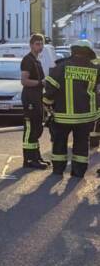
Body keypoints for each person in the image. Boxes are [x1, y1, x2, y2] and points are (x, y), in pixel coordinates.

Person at [42, 43, 100, 179]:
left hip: (63, 116)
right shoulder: (95, 68)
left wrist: (47, 104)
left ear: (73, 51)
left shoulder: (61, 66)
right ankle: (78, 172)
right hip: (86, 117)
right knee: (81, 144)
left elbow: (50, 90)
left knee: (59, 143)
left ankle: (58, 170)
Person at [20, 33, 50, 168]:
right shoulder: (28, 60)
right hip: (30, 98)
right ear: (31, 45)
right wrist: (41, 83)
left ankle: (36, 157)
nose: (40, 46)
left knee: (37, 128)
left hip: (37, 97)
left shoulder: (36, 60)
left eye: (42, 43)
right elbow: (24, 81)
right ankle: (29, 160)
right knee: (30, 128)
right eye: (37, 44)